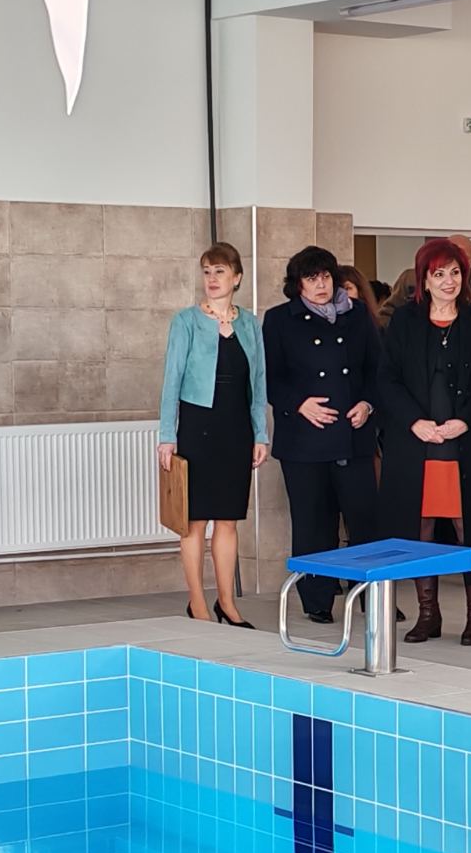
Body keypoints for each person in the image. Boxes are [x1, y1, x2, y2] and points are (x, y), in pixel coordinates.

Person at [377, 238, 471, 646]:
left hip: (463, 443)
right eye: (439, 274)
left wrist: (464, 422)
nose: (449, 281)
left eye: (455, 273)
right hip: (417, 443)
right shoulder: (404, 321)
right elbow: (387, 381)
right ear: (424, 280)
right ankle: (427, 613)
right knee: (421, 527)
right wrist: (414, 422)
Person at [264, 246, 380, 625]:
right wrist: (300, 404)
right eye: (312, 278)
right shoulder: (279, 320)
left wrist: (367, 404)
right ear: (297, 284)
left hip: (353, 436)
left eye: (326, 276)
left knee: (364, 520)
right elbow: (269, 378)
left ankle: (372, 597)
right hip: (304, 441)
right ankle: (317, 599)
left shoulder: (357, 314)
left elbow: (377, 369)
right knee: (313, 522)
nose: (321, 285)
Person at [158, 242, 270, 626]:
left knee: (227, 519)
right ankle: (198, 605)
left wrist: (260, 434)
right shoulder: (186, 321)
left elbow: (259, 383)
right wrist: (166, 435)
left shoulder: (250, 324)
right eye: (207, 271)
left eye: (220, 271)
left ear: (237, 278)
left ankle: (227, 604)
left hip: (236, 428)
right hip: (197, 426)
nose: (212, 278)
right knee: (194, 520)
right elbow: (171, 381)